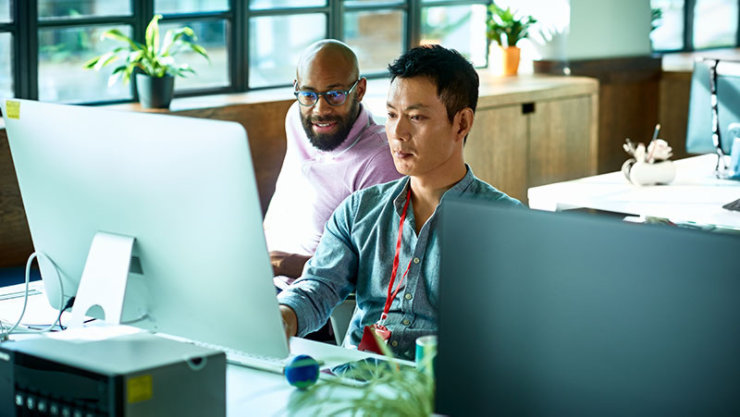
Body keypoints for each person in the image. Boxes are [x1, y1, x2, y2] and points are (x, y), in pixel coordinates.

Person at [277, 44, 522, 360]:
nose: (398, 132)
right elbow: (318, 287)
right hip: (358, 382)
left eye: (416, 117)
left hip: (439, 392)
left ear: (461, 123)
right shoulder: (358, 211)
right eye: (391, 115)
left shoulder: (506, 222)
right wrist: (284, 315)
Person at [263, 40, 400, 288]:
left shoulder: (380, 159)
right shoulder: (296, 117)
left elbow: (375, 269)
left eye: (335, 94)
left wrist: (281, 264)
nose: (320, 109)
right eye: (308, 94)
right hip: (262, 278)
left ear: (359, 90)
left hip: (312, 300)